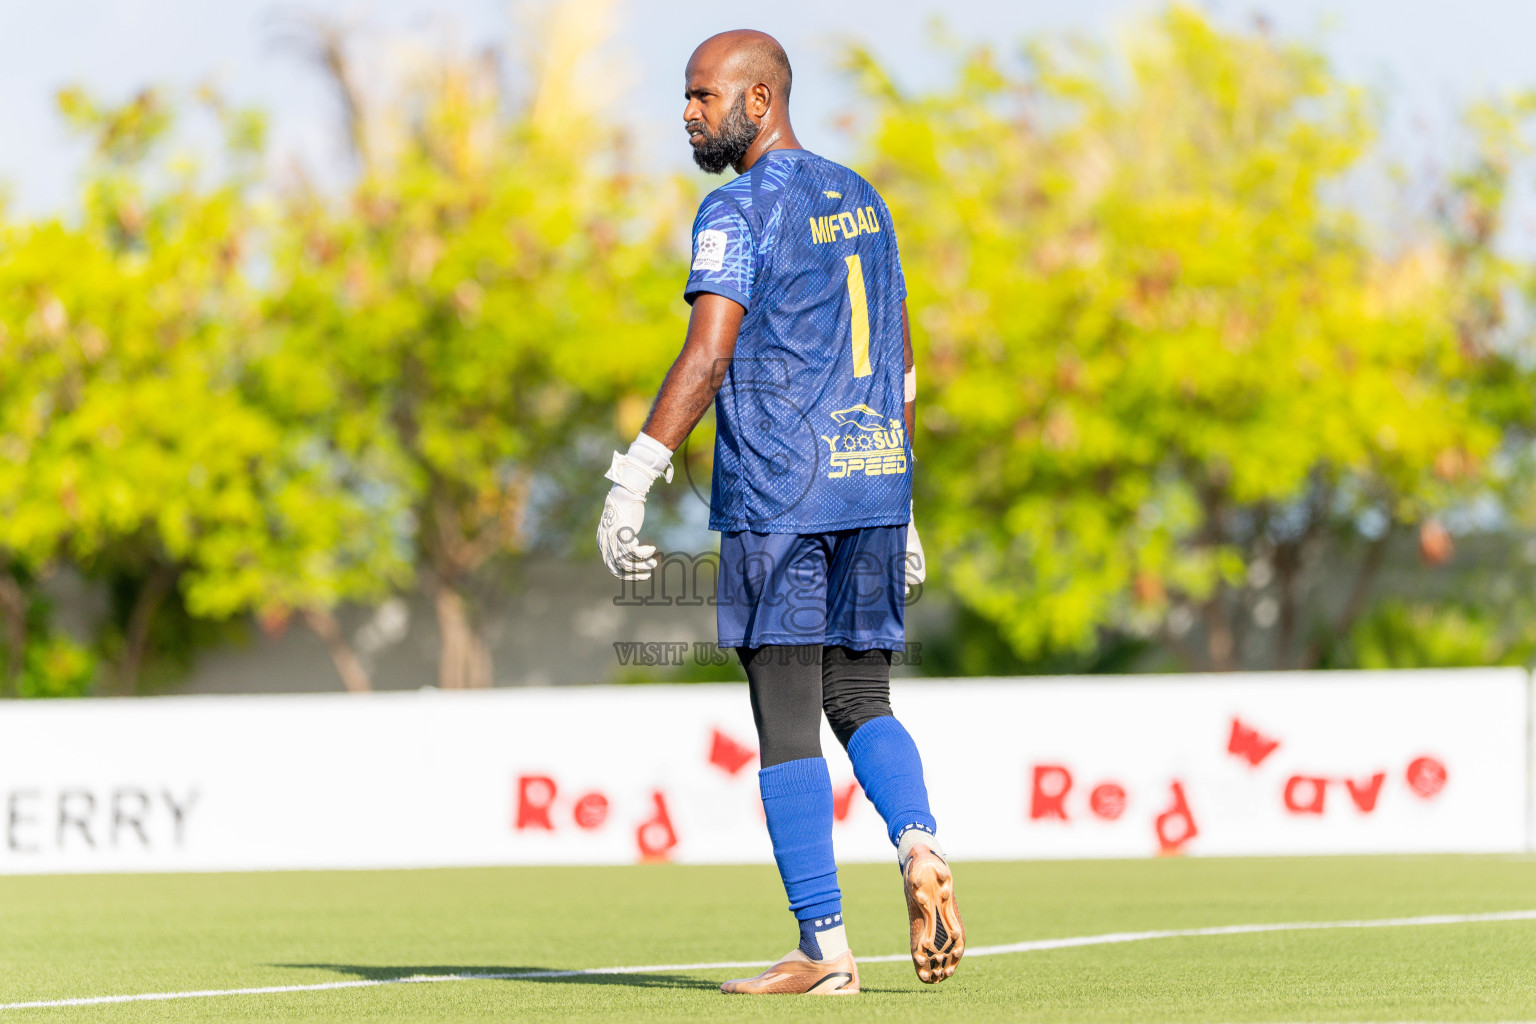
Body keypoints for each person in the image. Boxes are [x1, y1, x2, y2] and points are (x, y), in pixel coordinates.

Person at [596, 28, 962, 996]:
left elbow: (709, 355)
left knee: (789, 720)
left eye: (703, 97)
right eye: (686, 97)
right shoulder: (865, 198)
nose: (688, 113)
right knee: (863, 699)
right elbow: (902, 359)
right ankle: (918, 839)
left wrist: (636, 472)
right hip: (873, 482)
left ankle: (825, 949)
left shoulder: (737, 207)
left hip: (779, 496)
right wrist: (906, 496)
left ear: (760, 100)